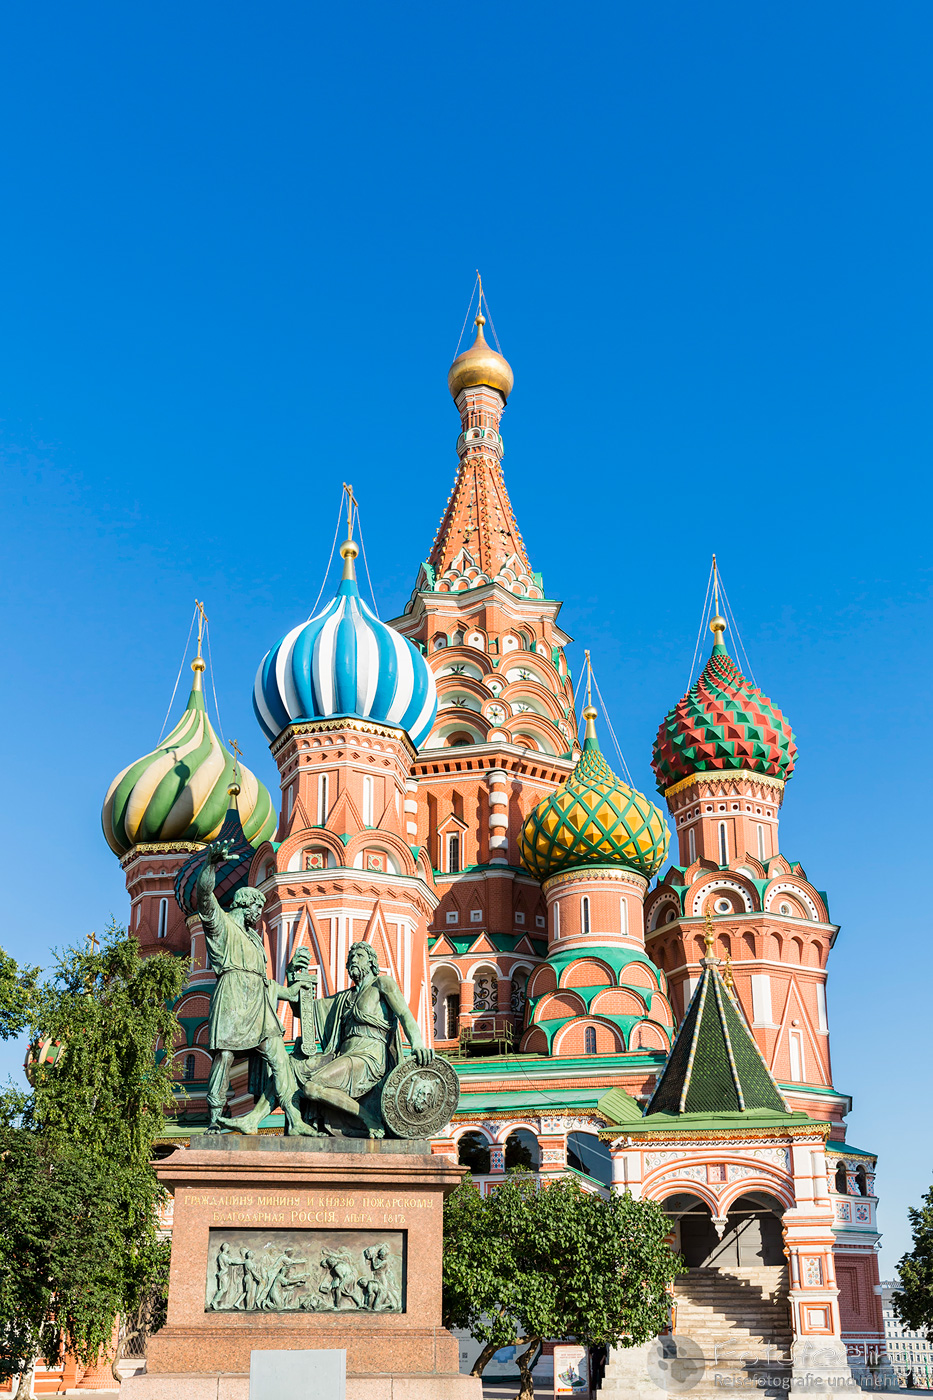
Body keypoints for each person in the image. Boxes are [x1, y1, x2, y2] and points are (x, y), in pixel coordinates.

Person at [196, 839, 313, 1135]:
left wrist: (290, 991)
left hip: (258, 1002)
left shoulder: (255, 939)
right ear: (244, 903)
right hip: (233, 994)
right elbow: (204, 896)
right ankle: (213, 1116)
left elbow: (266, 981)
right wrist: (211, 864)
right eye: (257, 906)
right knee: (225, 1055)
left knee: (279, 1057)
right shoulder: (221, 925)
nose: (260, 912)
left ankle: (293, 1118)